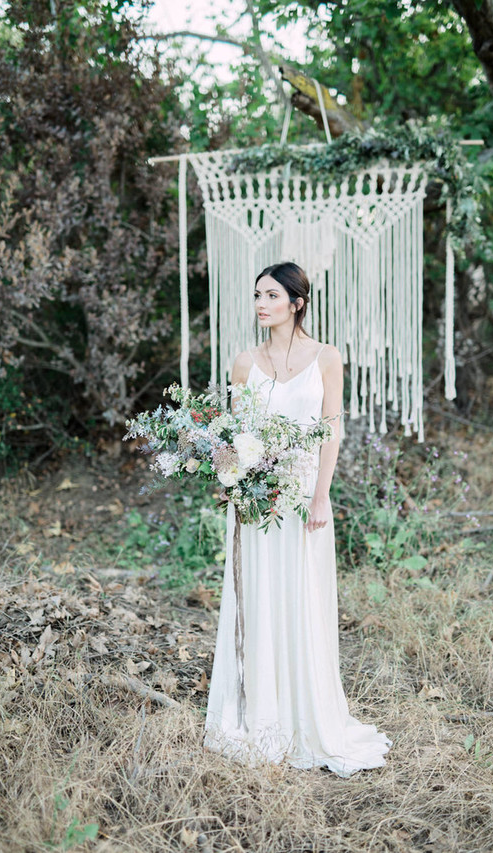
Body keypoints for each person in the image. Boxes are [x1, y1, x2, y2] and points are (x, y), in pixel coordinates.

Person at [204, 261, 392, 776]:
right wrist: (234, 483)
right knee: (260, 596)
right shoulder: (244, 363)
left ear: (297, 302)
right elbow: (233, 434)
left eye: (271, 295)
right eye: (256, 295)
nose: (261, 304)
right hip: (258, 498)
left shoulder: (326, 358)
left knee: (302, 596)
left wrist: (321, 497)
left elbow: (332, 430)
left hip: (305, 494)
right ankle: (260, 711)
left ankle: (306, 711)